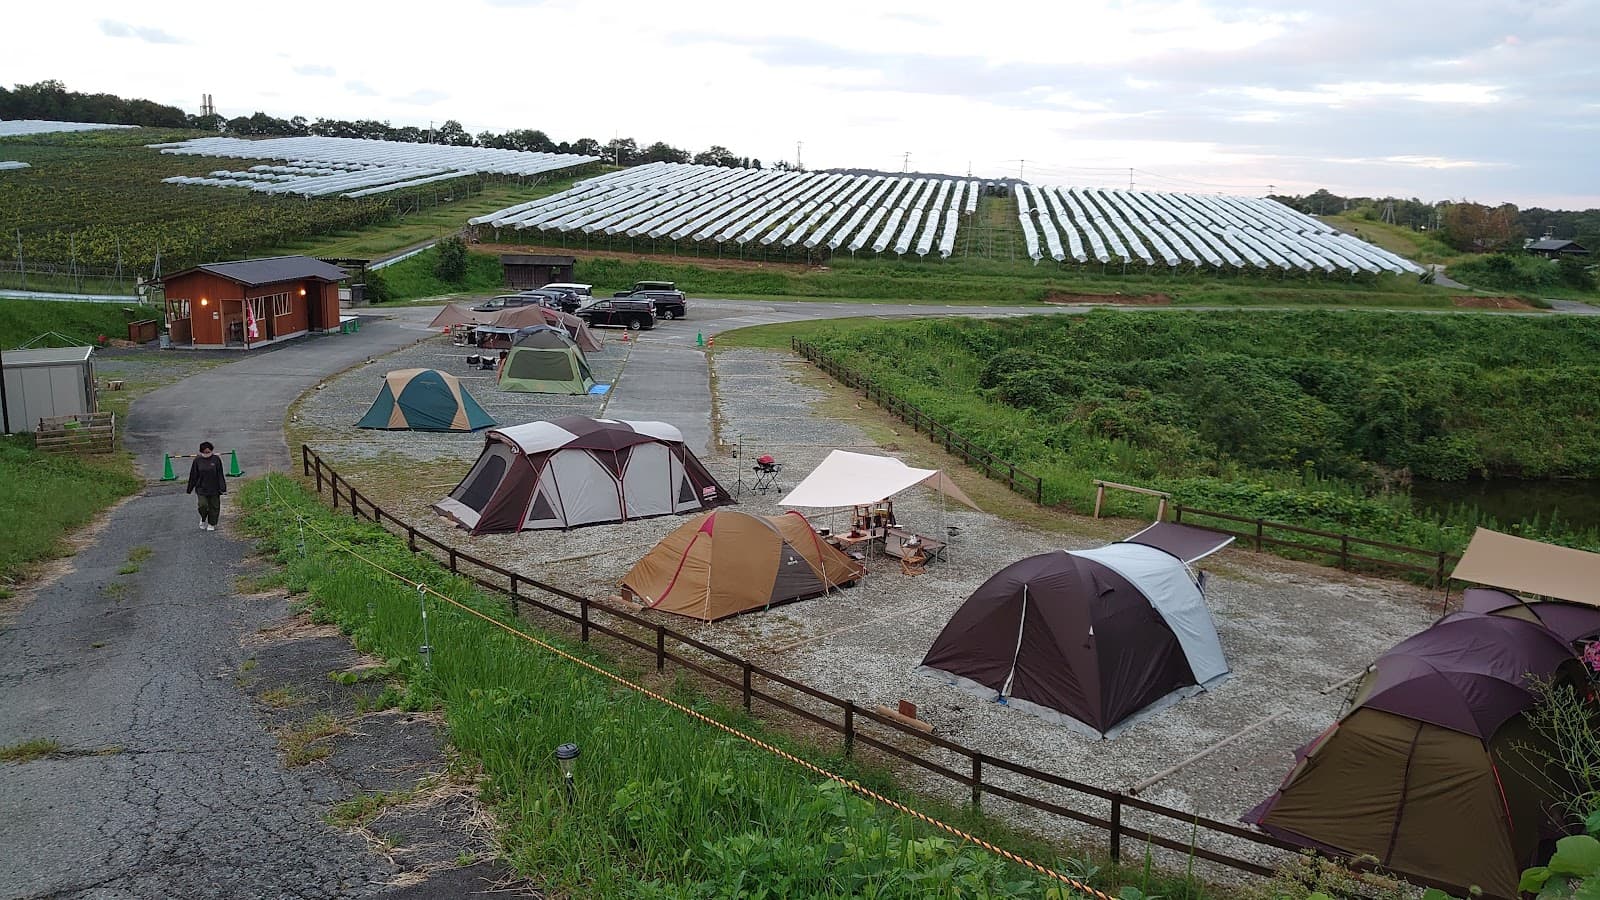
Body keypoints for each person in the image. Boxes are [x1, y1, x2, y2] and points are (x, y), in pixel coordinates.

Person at [186, 441, 227, 531]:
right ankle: (203, 517)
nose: (207, 454)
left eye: (208, 452)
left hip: (214, 488)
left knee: (214, 507)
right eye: (205, 452)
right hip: (201, 488)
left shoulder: (216, 460)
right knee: (202, 505)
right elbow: (193, 475)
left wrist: (223, 487)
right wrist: (189, 488)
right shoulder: (197, 460)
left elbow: (220, 474)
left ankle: (212, 523)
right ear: (201, 452)